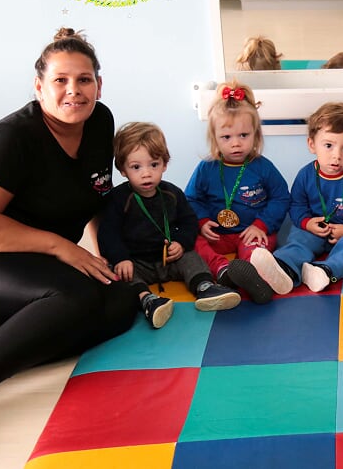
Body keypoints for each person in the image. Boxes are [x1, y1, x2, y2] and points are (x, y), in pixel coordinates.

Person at [0, 28, 136, 427]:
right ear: (39, 87)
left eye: (84, 79)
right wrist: (60, 246)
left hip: (30, 263)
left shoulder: (100, 121)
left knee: (121, 302)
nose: (73, 91)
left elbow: (98, 194)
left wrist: (106, 255)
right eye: (60, 80)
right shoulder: (12, 137)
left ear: (99, 85)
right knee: (74, 298)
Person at [98, 122, 241, 328]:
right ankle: (148, 300)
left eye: (154, 165)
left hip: (169, 258)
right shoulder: (118, 199)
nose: (146, 174)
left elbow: (189, 222)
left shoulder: (172, 193)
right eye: (136, 167)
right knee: (118, 272)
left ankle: (205, 287)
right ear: (122, 169)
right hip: (136, 262)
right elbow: (108, 233)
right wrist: (121, 258)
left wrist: (180, 243)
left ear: (164, 164)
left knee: (191, 256)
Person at [251, 102, 343, 294]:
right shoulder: (305, 175)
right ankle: (284, 268)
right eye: (328, 146)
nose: (337, 156)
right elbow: (296, 205)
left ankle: (324, 271)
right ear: (312, 144)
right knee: (298, 237)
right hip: (314, 228)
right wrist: (307, 223)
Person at [185, 81, 291, 304]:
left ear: (256, 135)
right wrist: (202, 222)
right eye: (227, 137)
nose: (236, 143)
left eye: (243, 135)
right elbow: (192, 198)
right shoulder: (206, 168)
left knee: (256, 250)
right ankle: (223, 270)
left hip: (251, 233)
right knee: (191, 241)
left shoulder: (262, 167)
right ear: (215, 138)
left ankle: (257, 275)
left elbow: (281, 197)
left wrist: (261, 225)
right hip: (217, 235)